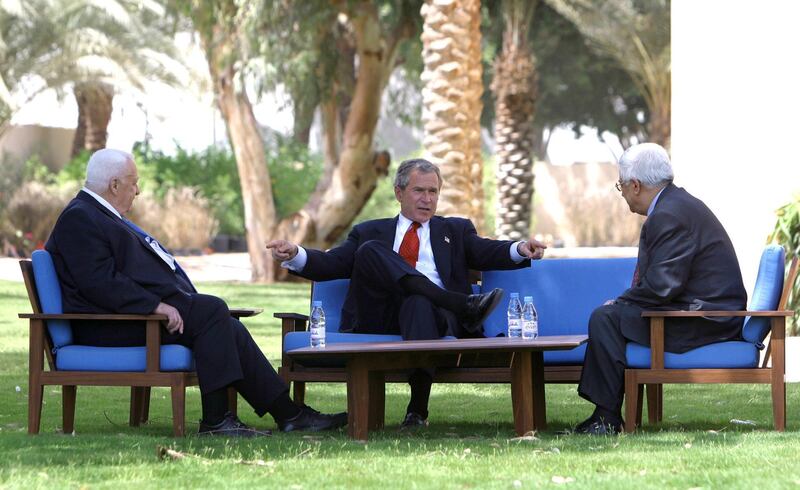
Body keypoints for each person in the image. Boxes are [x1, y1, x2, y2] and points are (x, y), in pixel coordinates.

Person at [45, 148, 347, 437]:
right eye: (134, 183)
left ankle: (289, 415)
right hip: (107, 326)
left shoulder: (99, 214)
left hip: (130, 317)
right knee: (211, 310)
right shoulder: (80, 217)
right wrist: (155, 306)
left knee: (225, 323)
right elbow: (99, 282)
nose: (137, 191)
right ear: (113, 185)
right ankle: (217, 421)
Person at [267, 158, 547, 429]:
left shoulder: (455, 230)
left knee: (418, 302)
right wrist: (296, 254)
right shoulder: (369, 231)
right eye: (419, 191)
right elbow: (333, 263)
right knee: (370, 251)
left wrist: (520, 249)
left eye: (433, 191)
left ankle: (417, 410)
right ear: (399, 193)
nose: (427, 199)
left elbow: (485, 251)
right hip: (380, 316)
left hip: (432, 317)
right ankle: (462, 305)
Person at [574, 143, 747, 435]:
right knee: (610, 316)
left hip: (705, 320)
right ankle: (605, 416)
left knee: (604, 318)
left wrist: (618, 303)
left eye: (621, 187)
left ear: (636, 185)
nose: (623, 194)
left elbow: (662, 285)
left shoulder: (670, 214)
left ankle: (605, 420)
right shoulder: (676, 204)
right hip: (703, 311)